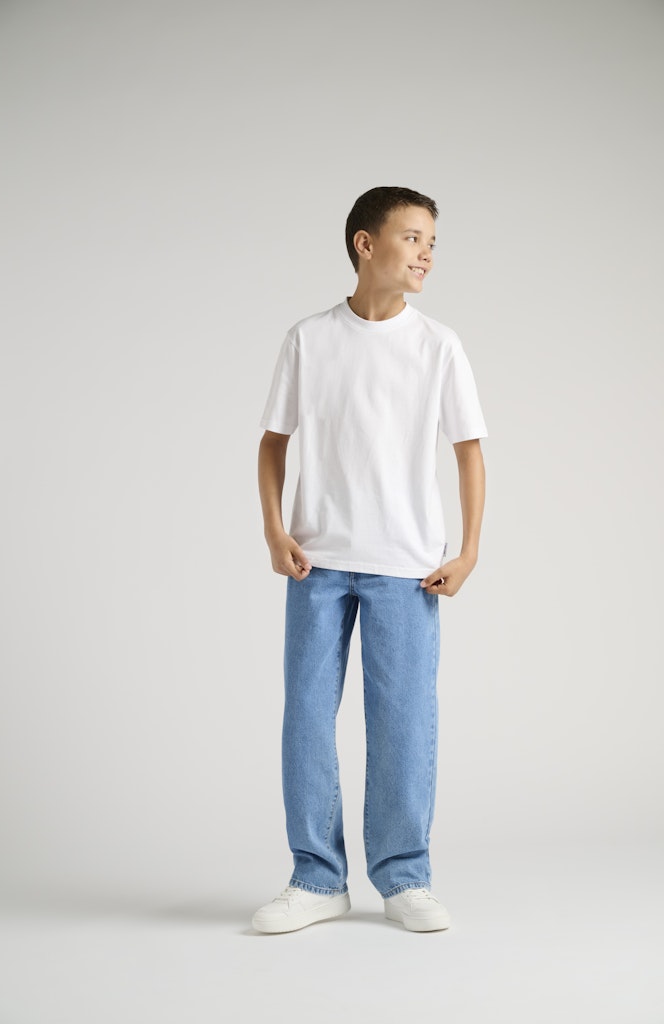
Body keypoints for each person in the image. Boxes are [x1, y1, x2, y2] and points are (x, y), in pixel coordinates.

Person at [253, 186, 487, 934]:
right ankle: (317, 878)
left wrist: (469, 550)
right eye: (413, 237)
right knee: (306, 719)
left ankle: (404, 876)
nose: (426, 254)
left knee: (402, 723)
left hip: (407, 567)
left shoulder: (438, 345)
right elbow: (273, 443)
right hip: (316, 563)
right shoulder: (309, 339)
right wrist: (275, 531)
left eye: (432, 243)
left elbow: (468, 451)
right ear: (365, 243)